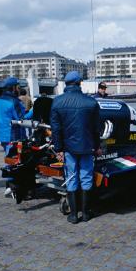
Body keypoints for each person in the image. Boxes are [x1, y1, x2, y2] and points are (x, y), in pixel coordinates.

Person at [51, 71, 101, 224]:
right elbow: (96, 128)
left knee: (71, 178)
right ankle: (86, 213)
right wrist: (97, 146)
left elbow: (56, 129)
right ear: (80, 83)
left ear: (66, 84)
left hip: (68, 148)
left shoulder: (57, 102)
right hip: (86, 147)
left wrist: (58, 149)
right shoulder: (91, 102)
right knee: (86, 178)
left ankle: (73, 215)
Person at [0, 77, 26, 152]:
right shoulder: (14, 102)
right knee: (14, 158)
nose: (19, 89)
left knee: (8, 156)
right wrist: (33, 111)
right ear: (13, 88)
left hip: (1, 135)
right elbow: (21, 119)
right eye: (18, 87)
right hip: (12, 135)